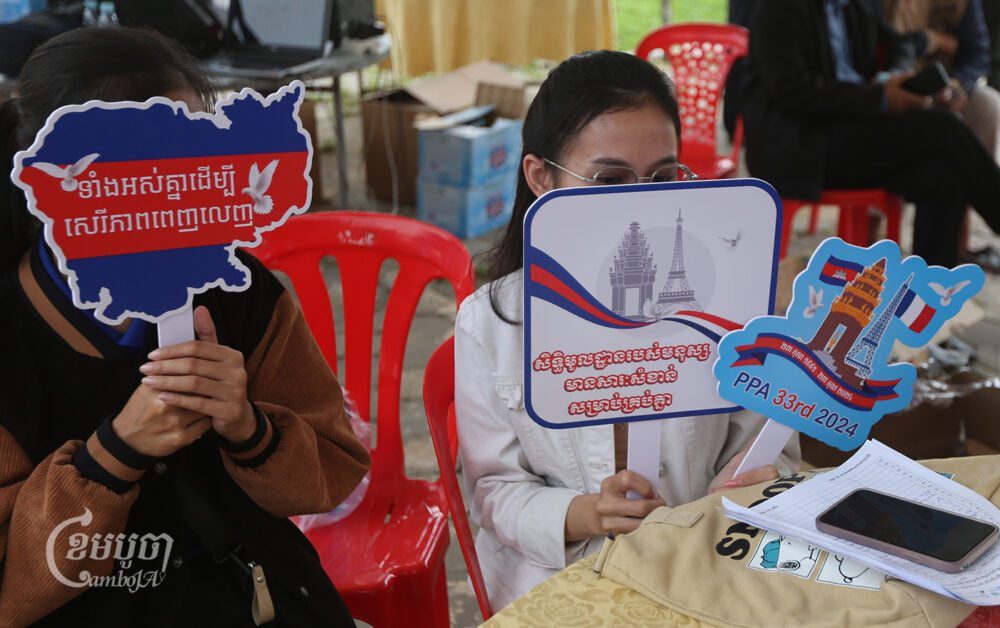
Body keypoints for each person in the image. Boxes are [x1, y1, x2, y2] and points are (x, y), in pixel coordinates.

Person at [0, 28, 369, 626]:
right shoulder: (14, 327)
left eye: (196, 156)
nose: (173, 189)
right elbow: (13, 588)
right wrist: (115, 453)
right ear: (57, 172)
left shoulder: (239, 290)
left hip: (256, 596)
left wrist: (249, 428)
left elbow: (330, 473)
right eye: (139, 164)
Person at [454, 50, 801, 611]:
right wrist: (584, 513)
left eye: (664, 176)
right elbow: (494, 492)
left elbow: (774, 452)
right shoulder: (490, 323)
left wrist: (746, 488)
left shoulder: (731, 308)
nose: (641, 201)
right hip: (564, 583)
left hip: (707, 566)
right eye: (609, 178)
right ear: (540, 177)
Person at [743, 0, 1000, 268]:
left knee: (945, 178)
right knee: (943, 128)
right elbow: (792, 89)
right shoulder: (778, 8)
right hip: (801, 146)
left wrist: (898, 75)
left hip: (852, 133)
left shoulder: (854, 5)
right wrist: (880, 98)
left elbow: (899, 43)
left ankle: (929, 295)